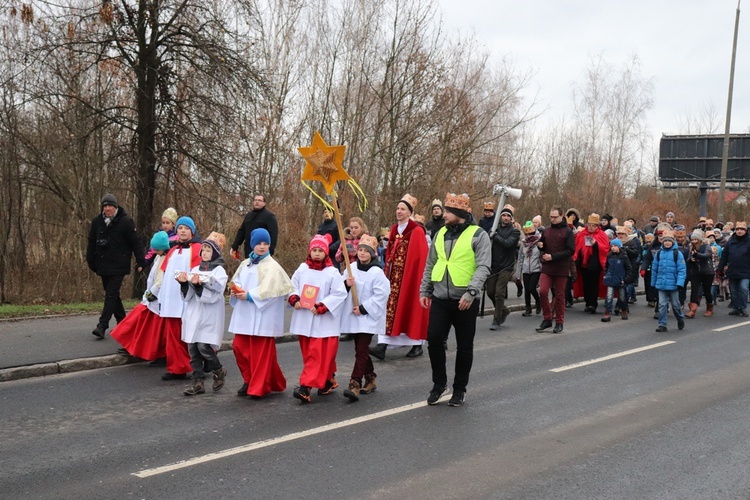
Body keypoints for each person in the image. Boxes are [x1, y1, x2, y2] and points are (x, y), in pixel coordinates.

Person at [419, 193, 491, 407]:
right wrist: (425, 290)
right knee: (434, 340)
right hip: (440, 297)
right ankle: (440, 385)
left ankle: (460, 389)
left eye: (448, 211)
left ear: (459, 214)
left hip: (465, 299)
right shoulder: (440, 233)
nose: (444, 214)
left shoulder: (478, 234)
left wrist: (471, 292)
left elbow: (483, 266)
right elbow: (431, 262)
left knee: (464, 346)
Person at [228, 228, 294, 398]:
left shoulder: (273, 266)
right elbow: (236, 281)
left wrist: (250, 295)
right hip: (245, 315)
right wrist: (236, 291)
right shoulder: (245, 264)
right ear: (252, 245)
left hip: (263, 317)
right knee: (239, 348)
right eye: (259, 243)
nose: (262, 247)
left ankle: (259, 387)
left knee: (260, 354)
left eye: (266, 244)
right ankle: (251, 380)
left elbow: (273, 290)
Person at [288, 234, 348, 403]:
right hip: (304, 319)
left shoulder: (332, 272)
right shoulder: (302, 269)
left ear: (326, 253)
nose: (316, 253)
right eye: (314, 250)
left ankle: (305, 387)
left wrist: (323, 305)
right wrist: (294, 298)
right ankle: (328, 380)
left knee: (316, 355)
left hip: (323, 323)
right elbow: (293, 285)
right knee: (309, 354)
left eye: (320, 250)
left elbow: (339, 293)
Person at [370, 194, 430, 360]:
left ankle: (416, 344)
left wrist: (415, 278)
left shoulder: (416, 231)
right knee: (389, 309)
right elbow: (389, 251)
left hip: (409, 277)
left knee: (409, 308)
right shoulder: (395, 229)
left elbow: (420, 257)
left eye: (403, 209)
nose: (399, 211)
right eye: (397, 208)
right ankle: (383, 344)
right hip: (393, 277)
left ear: (410, 212)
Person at [86, 193, 146, 339]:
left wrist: (141, 261)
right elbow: (91, 243)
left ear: (115, 207)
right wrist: (91, 261)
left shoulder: (125, 222)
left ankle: (102, 325)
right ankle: (124, 324)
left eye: (110, 206)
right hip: (102, 265)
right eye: (105, 206)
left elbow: (135, 243)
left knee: (111, 294)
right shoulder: (97, 222)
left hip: (119, 265)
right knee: (114, 296)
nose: (107, 209)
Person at [340, 235, 390, 401]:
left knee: (361, 350)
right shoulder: (351, 267)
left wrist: (363, 308)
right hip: (354, 315)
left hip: (368, 316)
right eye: (360, 250)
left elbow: (381, 295)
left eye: (365, 251)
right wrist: (346, 284)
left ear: (372, 253)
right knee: (360, 349)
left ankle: (354, 383)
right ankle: (370, 378)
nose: (362, 253)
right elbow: (340, 288)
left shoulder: (377, 273)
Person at [178, 232, 229, 396]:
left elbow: (215, 294)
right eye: (204, 249)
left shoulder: (219, 271)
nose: (205, 253)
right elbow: (188, 296)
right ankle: (198, 382)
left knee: (204, 347)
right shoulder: (195, 269)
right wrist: (184, 284)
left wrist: (200, 286)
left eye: (209, 250)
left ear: (215, 253)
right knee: (193, 349)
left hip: (209, 313)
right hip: (194, 313)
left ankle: (219, 370)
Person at [111, 231, 170, 359]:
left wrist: (152, 293)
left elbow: (160, 281)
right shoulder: (158, 257)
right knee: (136, 321)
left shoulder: (165, 259)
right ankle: (131, 345)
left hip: (155, 298)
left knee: (145, 326)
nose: (154, 250)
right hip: (150, 297)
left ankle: (137, 347)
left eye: (157, 248)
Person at [157, 216, 201, 380]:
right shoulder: (173, 249)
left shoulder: (197, 248)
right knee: (173, 335)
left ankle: (204, 363)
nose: (182, 231)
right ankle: (177, 367)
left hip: (187, 297)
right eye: (180, 228)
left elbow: (199, 272)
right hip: (171, 299)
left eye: (186, 228)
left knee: (192, 333)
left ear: (192, 231)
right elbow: (165, 272)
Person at [536, 207, 575, 334]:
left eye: (555, 217)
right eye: (551, 217)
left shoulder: (568, 231)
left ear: (561, 216)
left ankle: (559, 322)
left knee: (559, 295)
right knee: (542, 291)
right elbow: (543, 245)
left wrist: (553, 256)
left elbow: (570, 250)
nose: (552, 219)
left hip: (561, 267)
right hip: (547, 266)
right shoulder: (546, 231)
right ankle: (547, 318)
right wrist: (541, 245)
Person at [486, 206, 520, 330]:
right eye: (504, 215)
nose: (506, 218)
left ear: (511, 218)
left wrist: (495, 236)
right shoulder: (494, 228)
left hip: (506, 266)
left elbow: (508, 244)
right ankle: (503, 310)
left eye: (508, 216)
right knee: (490, 292)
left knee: (499, 293)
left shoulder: (514, 231)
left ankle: (496, 319)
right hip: (494, 265)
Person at [651, 229, 686, 332]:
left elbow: (682, 269)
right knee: (662, 305)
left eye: (669, 241)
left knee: (675, 305)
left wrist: (680, 282)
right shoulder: (658, 254)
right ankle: (662, 324)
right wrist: (653, 283)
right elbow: (654, 269)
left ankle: (680, 318)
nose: (667, 243)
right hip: (661, 284)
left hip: (674, 284)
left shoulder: (677, 254)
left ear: (673, 242)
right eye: (665, 241)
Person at [573, 214, 609, 314]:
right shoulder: (582, 234)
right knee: (585, 285)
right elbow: (577, 248)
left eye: (594, 226)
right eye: (589, 225)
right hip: (584, 264)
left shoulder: (601, 235)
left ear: (597, 226)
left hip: (595, 265)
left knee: (594, 285)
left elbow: (605, 248)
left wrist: (596, 244)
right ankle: (587, 303)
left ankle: (593, 304)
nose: (591, 227)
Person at [717, 221, 750, 317]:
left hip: (746, 271)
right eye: (738, 229)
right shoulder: (731, 242)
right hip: (732, 270)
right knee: (733, 290)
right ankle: (736, 308)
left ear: (745, 230)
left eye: (742, 229)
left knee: (743, 288)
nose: (739, 231)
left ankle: (742, 308)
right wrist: (720, 268)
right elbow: (724, 256)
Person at [230, 194, 279, 258]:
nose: (257, 202)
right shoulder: (249, 215)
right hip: (248, 251)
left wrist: (270, 251)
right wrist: (235, 246)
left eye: (259, 200)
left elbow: (273, 235)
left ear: (264, 203)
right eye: (255, 200)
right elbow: (241, 232)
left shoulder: (269, 216)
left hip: (263, 252)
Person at [685, 229, 715, 318]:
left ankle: (709, 308)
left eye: (696, 239)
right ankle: (692, 310)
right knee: (694, 290)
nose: (694, 241)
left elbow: (706, 255)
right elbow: (688, 258)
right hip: (695, 272)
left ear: (700, 239)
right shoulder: (691, 247)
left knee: (706, 291)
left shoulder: (706, 246)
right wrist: (691, 259)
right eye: (693, 239)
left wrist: (697, 255)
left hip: (707, 272)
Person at [601, 239, 632, 322]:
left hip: (620, 281)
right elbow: (606, 266)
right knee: (609, 297)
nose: (613, 248)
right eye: (611, 246)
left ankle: (624, 310)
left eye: (615, 246)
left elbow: (629, 269)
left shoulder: (624, 256)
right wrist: (605, 275)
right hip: (610, 280)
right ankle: (607, 313)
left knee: (622, 297)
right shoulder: (609, 255)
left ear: (619, 246)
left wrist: (625, 280)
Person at [517, 221, 542, 316]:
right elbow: (520, 257)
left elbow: (542, 254)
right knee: (527, 289)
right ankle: (528, 308)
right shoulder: (524, 243)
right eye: (526, 234)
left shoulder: (539, 241)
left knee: (532, 288)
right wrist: (518, 273)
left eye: (530, 233)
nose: (528, 236)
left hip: (536, 268)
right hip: (526, 268)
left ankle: (538, 302)